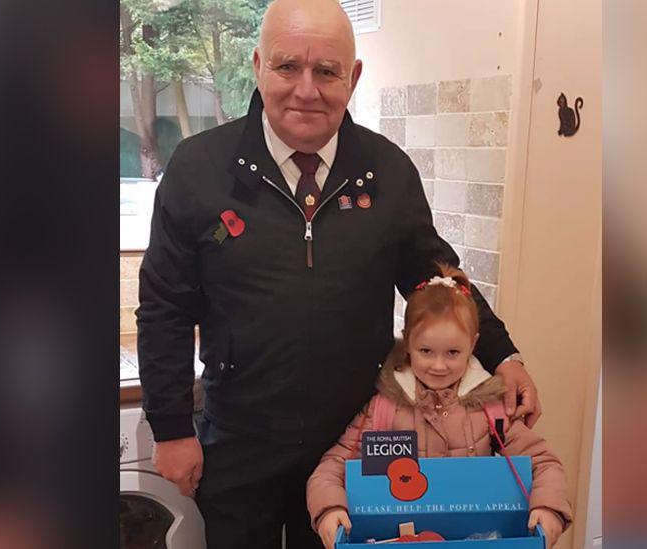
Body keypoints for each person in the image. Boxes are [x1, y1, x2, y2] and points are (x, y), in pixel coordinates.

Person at [136, 1, 542, 547]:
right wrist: (171, 427)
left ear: (352, 78)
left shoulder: (388, 171)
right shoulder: (198, 169)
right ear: (258, 65)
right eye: (288, 67)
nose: (307, 89)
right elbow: (164, 308)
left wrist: (504, 355)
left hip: (357, 441)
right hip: (238, 441)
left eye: (326, 71)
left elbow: (437, 279)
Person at [306, 265, 573, 548]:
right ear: (408, 342)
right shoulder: (384, 409)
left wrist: (548, 508)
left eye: (453, 352)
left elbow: (542, 462)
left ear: (473, 345)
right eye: (426, 351)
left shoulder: (490, 410)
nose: (439, 365)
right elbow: (333, 465)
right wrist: (330, 509)